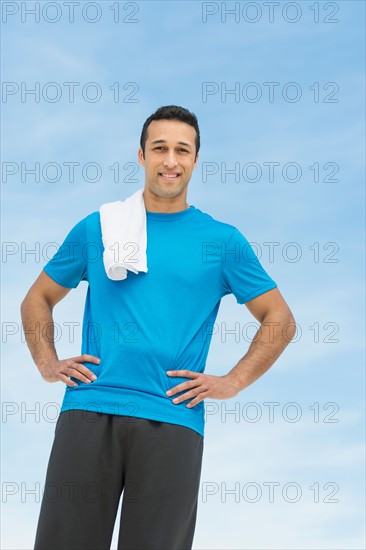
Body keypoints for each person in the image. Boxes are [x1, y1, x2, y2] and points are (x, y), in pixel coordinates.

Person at [21, 105, 296, 550]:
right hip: (91, 407)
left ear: (195, 160)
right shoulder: (101, 227)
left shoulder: (221, 241)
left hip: (172, 420)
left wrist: (234, 381)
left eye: (181, 150)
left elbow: (280, 319)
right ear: (142, 155)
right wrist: (46, 362)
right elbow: (38, 298)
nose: (171, 160)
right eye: (160, 148)